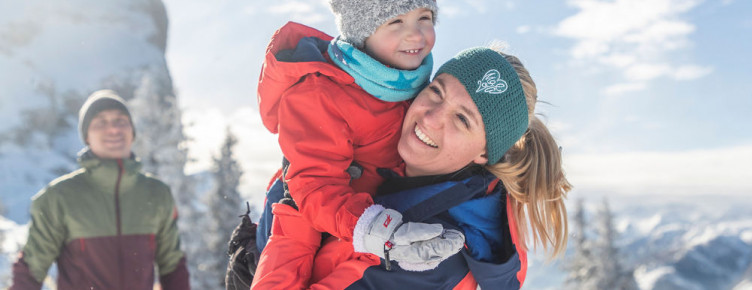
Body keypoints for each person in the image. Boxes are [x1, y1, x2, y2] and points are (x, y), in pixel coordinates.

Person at [251, 47, 571, 289]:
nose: (430, 118)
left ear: (485, 153)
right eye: (436, 92)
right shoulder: (389, 166)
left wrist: (293, 213)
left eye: (462, 119)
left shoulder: (429, 255)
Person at [244, 0, 468, 287]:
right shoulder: (319, 93)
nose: (416, 34)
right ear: (362, 30)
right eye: (395, 21)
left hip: (368, 212)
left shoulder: (413, 85)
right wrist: (376, 228)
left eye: (424, 18)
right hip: (316, 214)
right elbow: (315, 187)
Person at [10, 90, 190, 290]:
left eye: (121, 121)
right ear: (86, 136)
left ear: (132, 131)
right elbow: (30, 271)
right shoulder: (58, 197)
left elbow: (173, 267)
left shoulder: (157, 193)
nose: (113, 129)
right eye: (100, 123)